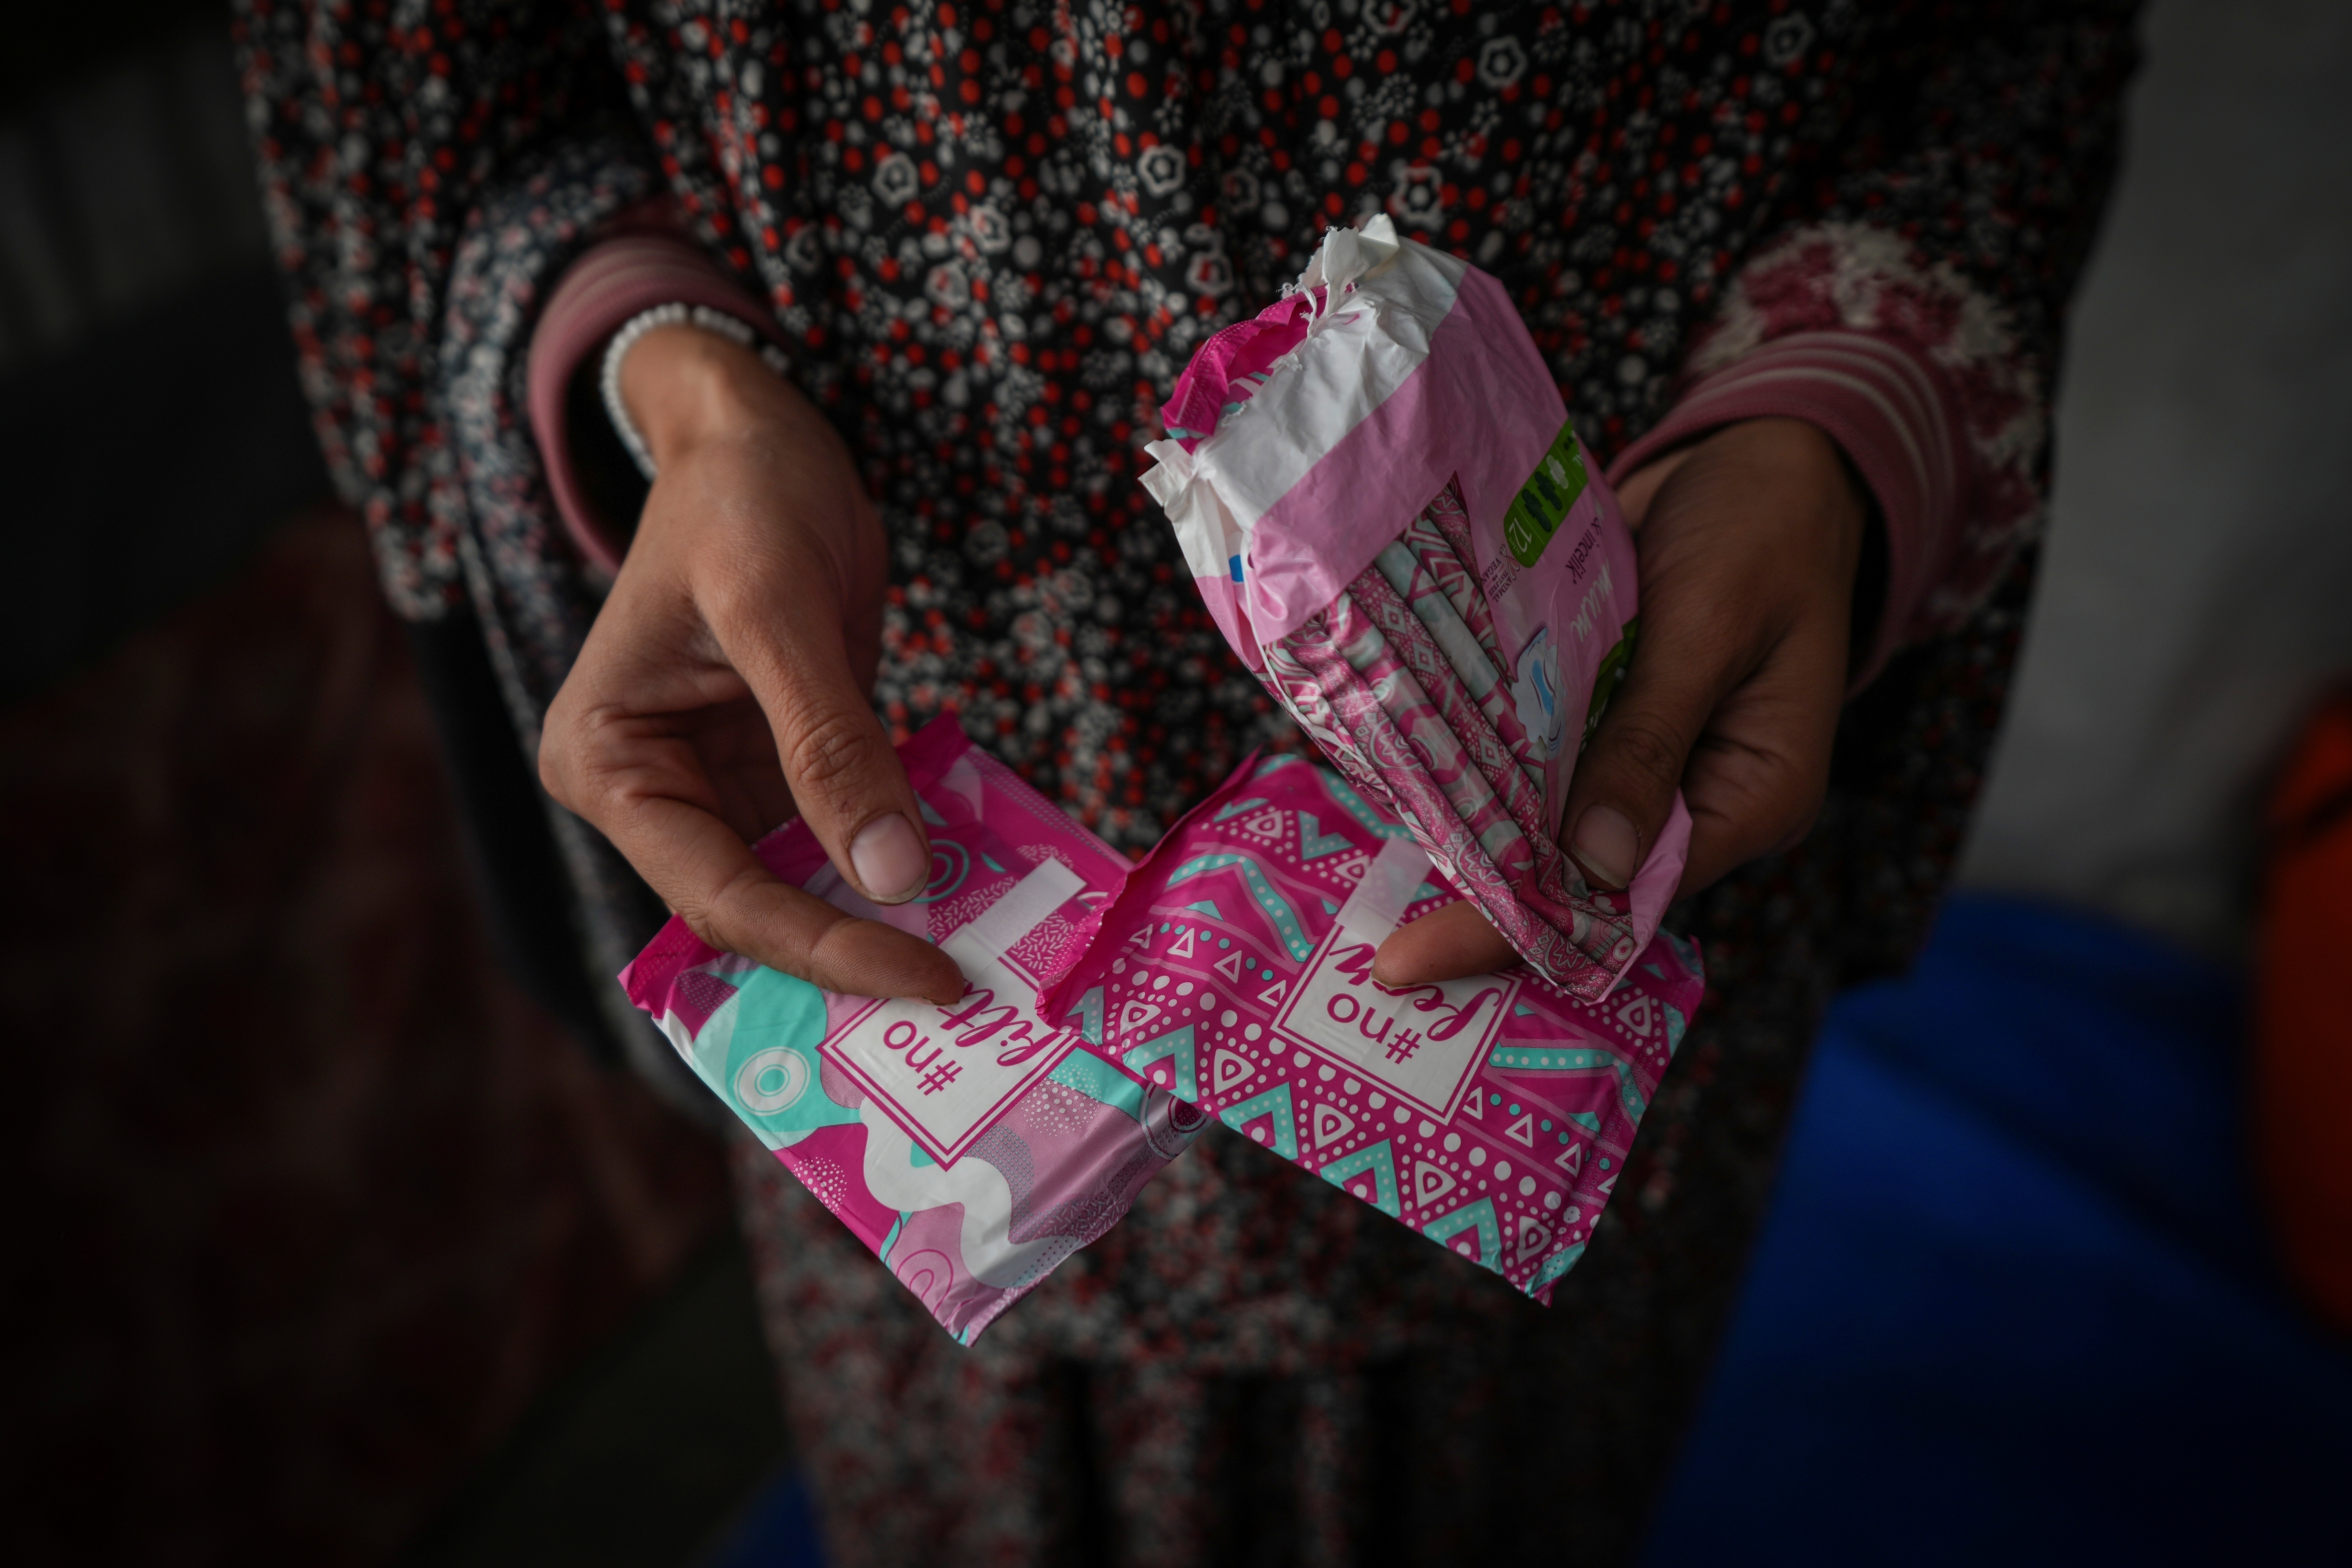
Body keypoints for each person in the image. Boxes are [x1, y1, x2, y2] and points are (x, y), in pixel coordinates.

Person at [235, 2, 2138, 1560]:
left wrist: (1831, 419)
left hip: (1636, 756)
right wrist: (680, 378)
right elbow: (426, 99)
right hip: (873, 803)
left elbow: (2010, 67)